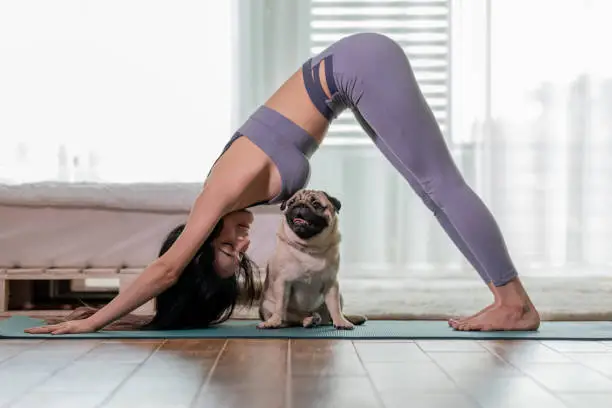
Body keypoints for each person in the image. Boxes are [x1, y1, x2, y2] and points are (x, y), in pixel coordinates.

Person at [25, 32, 540, 335]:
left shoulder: (217, 192)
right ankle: (507, 300)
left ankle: (513, 303)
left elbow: (166, 271)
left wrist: (94, 323)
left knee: (438, 185)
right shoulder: (238, 200)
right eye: (239, 250)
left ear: (204, 238)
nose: (243, 239)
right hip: (350, 78)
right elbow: (173, 287)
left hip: (357, 67)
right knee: (432, 190)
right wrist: (130, 320)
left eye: (227, 243)